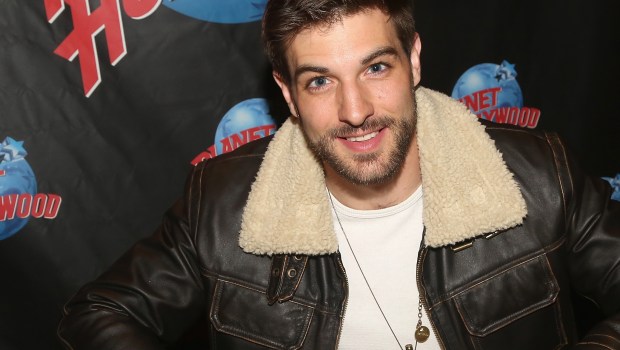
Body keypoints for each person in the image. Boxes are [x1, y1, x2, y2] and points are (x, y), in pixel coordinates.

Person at [58, 0, 620, 349]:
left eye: (375, 67)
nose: (355, 111)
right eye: (320, 81)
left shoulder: (539, 174)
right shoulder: (224, 204)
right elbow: (99, 313)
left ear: (414, 59)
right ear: (288, 94)